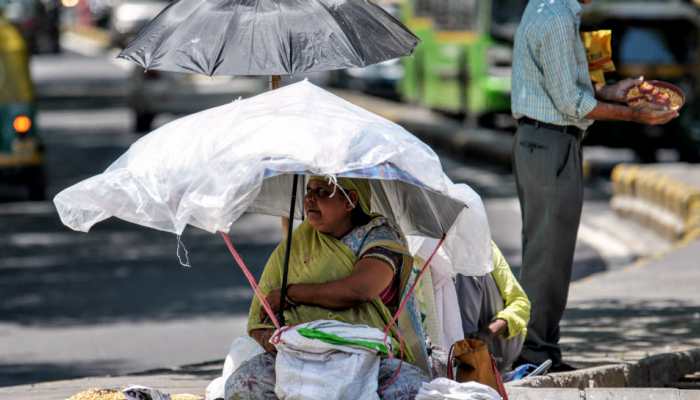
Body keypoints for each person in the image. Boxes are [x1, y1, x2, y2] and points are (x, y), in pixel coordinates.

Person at [510, 0, 678, 372]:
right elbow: (571, 102)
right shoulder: (553, 15)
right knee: (547, 255)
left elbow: (572, 88)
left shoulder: (554, 10)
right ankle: (534, 353)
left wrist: (617, 92)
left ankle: (543, 350)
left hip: (553, 141)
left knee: (553, 253)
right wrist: (636, 114)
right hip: (548, 140)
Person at [225, 177, 429, 400]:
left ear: (350, 200)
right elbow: (260, 315)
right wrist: (277, 343)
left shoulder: (379, 235)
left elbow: (361, 289)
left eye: (322, 192)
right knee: (241, 387)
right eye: (308, 191)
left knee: (413, 390)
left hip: (366, 355)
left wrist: (291, 294)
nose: (310, 198)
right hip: (298, 355)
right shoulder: (299, 242)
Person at [454, 242, 530, 373]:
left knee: (467, 266)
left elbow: (521, 303)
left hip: (492, 342)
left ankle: (468, 351)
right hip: (446, 346)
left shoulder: (482, 244)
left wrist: (489, 332)